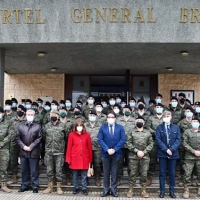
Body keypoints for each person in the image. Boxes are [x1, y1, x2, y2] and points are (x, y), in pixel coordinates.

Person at [98, 110, 126, 197]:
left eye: (112, 117)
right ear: (106, 118)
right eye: (109, 117)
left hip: (116, 154)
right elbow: (100, 140)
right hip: (105, 154)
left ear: (115, 118)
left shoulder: (120, 127)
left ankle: (114, 190)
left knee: (114, 173)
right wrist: (107, 149)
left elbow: (123, 139)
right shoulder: (102, 128)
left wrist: (115, 149)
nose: (110, 119)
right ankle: (105, 190)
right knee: (106, 173)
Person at [126, 116, 153, 198]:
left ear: (144, 122)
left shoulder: (147, 132)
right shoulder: (131, 132)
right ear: (135, 122)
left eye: (141, 121)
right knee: (132, 173)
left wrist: (144, 152)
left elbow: (151, 144)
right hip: (133, 157)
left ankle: (143, 190)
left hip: (145, 157)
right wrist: (137, 151)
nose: (139, 122)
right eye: (138, 120)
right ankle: (131, 189)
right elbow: (128, 143)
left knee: (144, 174)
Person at [43, 110, 69, 195]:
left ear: (58, 116)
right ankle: (50, 187)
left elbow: (66, 138)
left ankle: (59, 187)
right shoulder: (46, 126)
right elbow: (44, 138)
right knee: (49, 170)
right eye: (51, 114)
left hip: (59, 152)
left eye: (54, 114)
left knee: (59, 171)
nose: (53, 116)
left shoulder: (63, 126)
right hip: (49, 152)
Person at [16, 109, 42, 193]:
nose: (30, 116)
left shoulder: (38, 126)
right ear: (25, 115)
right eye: (28, 114)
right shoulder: (21, 126)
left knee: (34, 170)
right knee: (24, 170)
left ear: (34, 116)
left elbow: (39, 138)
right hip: (23, 152)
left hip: (34, 151)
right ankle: (24, 185)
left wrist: (31, 146)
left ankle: (35, 186)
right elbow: (17, 138)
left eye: (31, 115)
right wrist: (23, 146)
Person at [156, 111, 180, 198]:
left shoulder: (176, 127)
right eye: (165, 116)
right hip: (162, 154)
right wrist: (166, 150)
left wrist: (172, 149)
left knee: (172, 173)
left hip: (173, 154)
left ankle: (171, 191)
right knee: (162, 173)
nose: (166, 117)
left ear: (171, 117)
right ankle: (162, 191)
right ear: (162, 117)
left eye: (168, 115)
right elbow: (158, 140)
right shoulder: (159, 127)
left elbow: (178, 140)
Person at [66, 120, 92, 196]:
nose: (79, 127)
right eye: (78, 126)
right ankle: (76, 188)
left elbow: (89, 147)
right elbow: (69, 147)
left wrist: (90, 159)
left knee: (84, 175)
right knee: (75, 175)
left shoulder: (87, 135)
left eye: (81, 126)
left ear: (83, 127)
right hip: (74, 157)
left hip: (84, 157)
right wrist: (68, 158)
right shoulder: (71, 135)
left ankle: (84, 188)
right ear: (75, 127)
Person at [7, 105, 26, 184]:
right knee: (13, 160)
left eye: (21, 110)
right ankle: (14, 176)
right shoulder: (12, 120)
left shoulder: (26, 120)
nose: (19, 111)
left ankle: (25, 177)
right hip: (14, 142)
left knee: (24, 160)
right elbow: (9, 131)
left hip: (24, 143)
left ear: (24, 112)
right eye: (18, 110)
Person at [182, 117, 200, 199]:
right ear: (191, 122)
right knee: (187, 173)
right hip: (189, 157)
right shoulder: (187, 131)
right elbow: (184, 143)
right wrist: (194, 151)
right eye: (193, 121)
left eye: (196, 121)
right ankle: (186, 189)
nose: (195, 122)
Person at [84, 109, 102, 186]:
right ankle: (86, 179)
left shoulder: (100, 126)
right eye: (91, 115)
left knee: (97, 164)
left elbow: (102, 136)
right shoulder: (84, 125)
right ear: (88, 116)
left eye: (93, 115)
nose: (92, 117)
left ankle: (97, 179)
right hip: (86, 148)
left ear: (96, 116)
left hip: (97, 148)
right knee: (86, 164)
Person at [0, 106, 12, 193]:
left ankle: (3, 185)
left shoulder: (8, 122)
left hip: (4, 149)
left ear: (3, 113)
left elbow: (10, 135)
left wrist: (1, 143)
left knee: (4, 167)